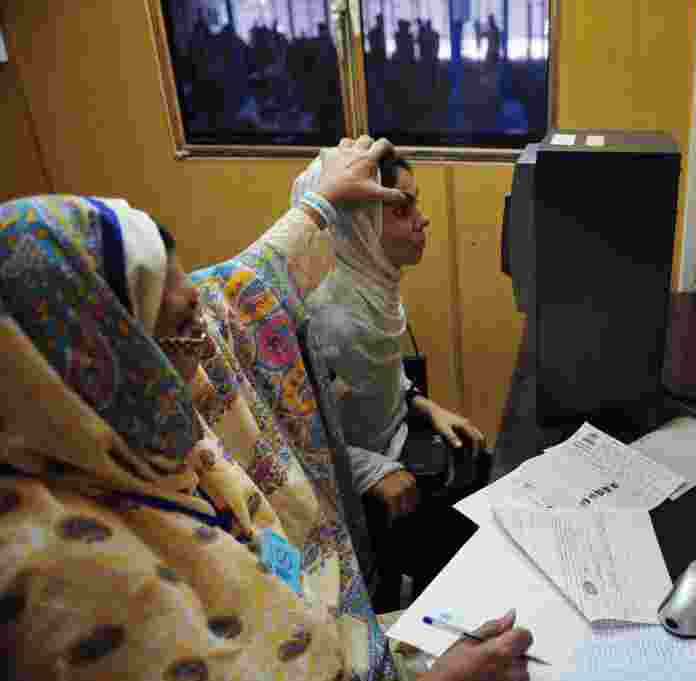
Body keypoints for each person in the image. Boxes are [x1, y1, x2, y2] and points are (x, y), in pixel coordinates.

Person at [0, 137, 533, 681]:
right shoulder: (71, 590)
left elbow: (238, 289)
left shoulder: (110, 421)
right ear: (100, 362)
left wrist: (320, 203)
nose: (211, 349)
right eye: (184, 329)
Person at [291, 149, 488, 607]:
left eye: (416, 204)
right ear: (358, 228)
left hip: (396, 447)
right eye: (403, 209)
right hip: (359, 495)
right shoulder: (331, 321)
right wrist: (371, 471)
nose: (423, 221)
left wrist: (425, 405)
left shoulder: (373, 289)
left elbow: (380, 375)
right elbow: (301, 438)